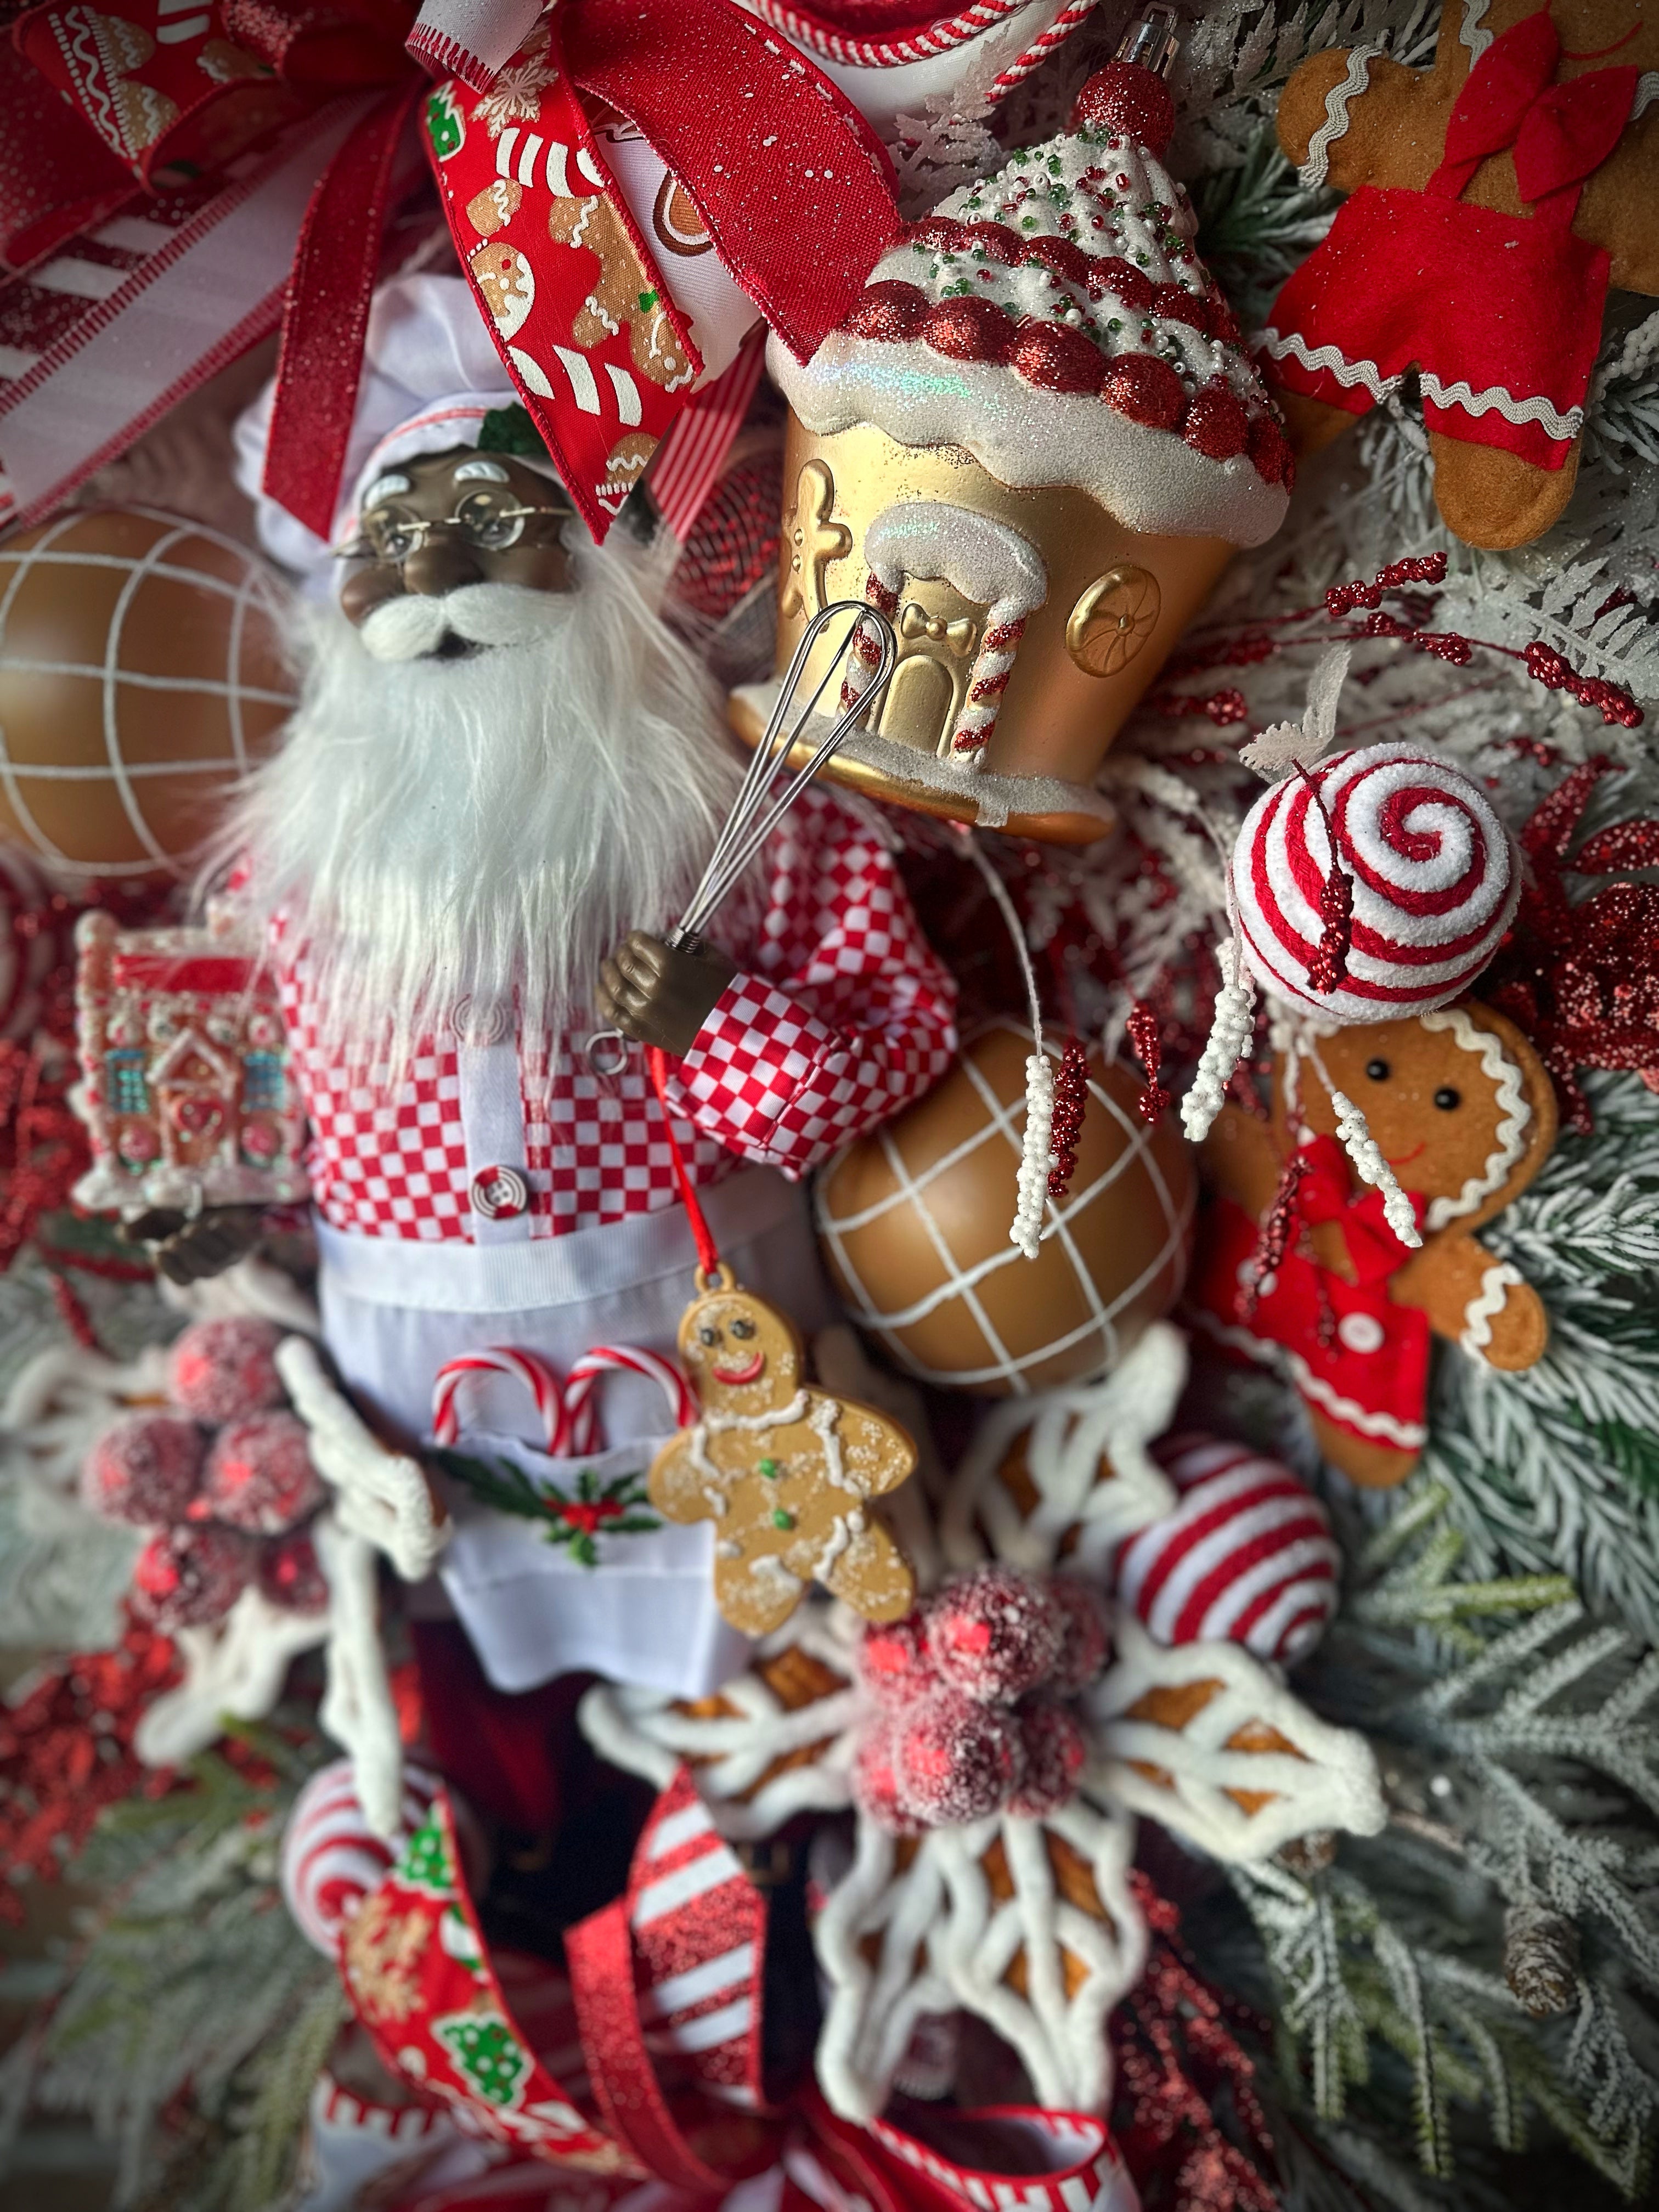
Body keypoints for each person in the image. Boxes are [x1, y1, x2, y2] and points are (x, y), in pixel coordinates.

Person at [126, 274, 957, 1697]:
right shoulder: (286, 879)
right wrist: (206, 1181)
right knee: (465, 1587)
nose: (436, 574)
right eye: (390, 541)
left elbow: (901, 1034)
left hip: (714, 1335)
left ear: (602, 560)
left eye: (489, 519)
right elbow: (234, 1057)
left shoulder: (742, 825)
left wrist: (718, 1027)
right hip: (411, 1374)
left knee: (749, 1611)